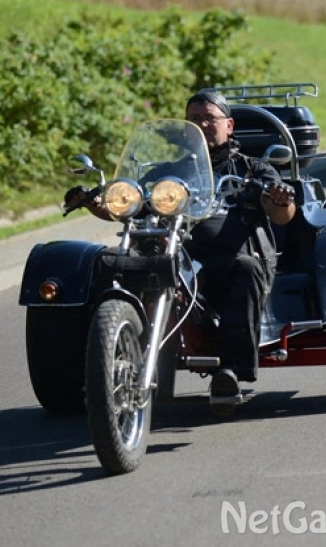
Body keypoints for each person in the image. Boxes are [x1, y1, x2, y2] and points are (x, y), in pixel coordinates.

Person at [65, 88, 296, 401]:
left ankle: (230, 371)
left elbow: (281, 215)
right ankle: (95, 365)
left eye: (209, 118)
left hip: (229, 262)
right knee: (108, 264)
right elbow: (132, 208)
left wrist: (279, 198)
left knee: (246, 268)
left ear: (229, 125)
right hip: (175, 259)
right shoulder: (168, 174)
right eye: (194, 119)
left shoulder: (253, 169)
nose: (201, 125)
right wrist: (94, 200)